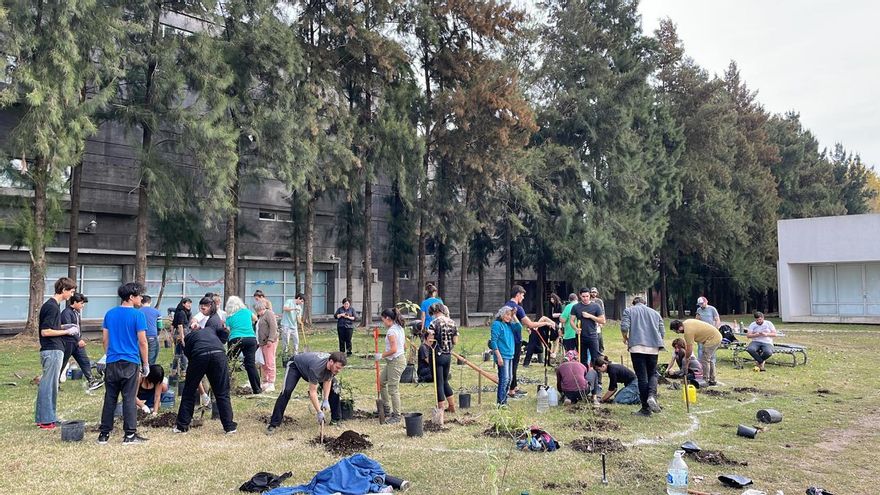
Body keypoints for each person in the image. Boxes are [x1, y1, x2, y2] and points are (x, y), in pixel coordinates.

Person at [174, 296, 237, 434]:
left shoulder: (190, 336)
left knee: (189, 391)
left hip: (199, 356)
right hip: (219, 355)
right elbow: (223, 336)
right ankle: (229, 427)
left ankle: (182, 426)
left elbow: (188, 353)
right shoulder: (212, 331)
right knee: (222, 392)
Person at [97, 282, 150, 445]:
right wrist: (146, 363)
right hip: (130, 362)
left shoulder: (110, 314)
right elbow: (142, 342)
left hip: (112, 361)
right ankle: (129, 435)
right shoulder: (138, 315)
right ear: (131, 297)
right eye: (139, 295)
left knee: (110, 398)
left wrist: (109, 355)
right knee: (129, 398)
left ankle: (104, 434)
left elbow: (105, 339)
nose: (141, 298)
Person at [267, 351, 348, 434]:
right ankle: (273, 424)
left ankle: (336, 419)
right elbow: (313, 392)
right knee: (286, 391)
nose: (339, 370)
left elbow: (328, 380)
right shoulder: (316, 368)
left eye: (340, 368)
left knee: (334, 388)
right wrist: (319, 412)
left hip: (311, 366)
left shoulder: (333, 367)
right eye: (337, 368)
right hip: (296, 366)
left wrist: (326, 399)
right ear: (331, 362)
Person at [35, 277, 78, 429]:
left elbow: (52, 326)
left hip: (53, 348)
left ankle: (48, 417)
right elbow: (45, 331)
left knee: (51, 385)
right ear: (64, 290)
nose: (72, 295)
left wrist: (64, 326)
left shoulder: (53, 306)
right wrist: (67, 331)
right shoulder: (52, 306)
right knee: (48, 385)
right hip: (52, 349)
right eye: (71, 291)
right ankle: (46, 420)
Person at [506, 285, 555, 398]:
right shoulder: (517, 308)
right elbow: (531, 324)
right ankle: (511, 390)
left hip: (508, 338)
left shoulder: (507, 305)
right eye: (522, 295)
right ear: (518, 294)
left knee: (512, 363)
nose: (523, 298)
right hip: (515, 339)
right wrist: (546, 323)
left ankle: (514, 386)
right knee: (513, 364)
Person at [620, 296, 665, 416]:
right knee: (653, 374)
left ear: (634, 303)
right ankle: (652, 396)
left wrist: (625, 338)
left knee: (642, 377)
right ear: (645, 303)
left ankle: (646, 408)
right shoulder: (655, 313)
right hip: (653, 348)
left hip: (637, 347)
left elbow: (624, 327)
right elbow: (662, 332)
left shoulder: (629, 310)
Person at [60, 292, 102, 391]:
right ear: (74, 302)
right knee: (63, 362)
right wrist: (78, 339)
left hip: (77, 343)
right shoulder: (66, 313)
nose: (82, 305)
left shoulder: (76, 313)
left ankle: (91, 380)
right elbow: (69, 328)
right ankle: (54, 383)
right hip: (68, 342)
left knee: (84, 361)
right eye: (81, 303)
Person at [225, 295, 261, 394]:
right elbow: (255, 319)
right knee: (250, 365)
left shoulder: (229, 317)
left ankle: (226, 386)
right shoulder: (247, 312)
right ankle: (257, 389)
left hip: (235, 338)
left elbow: (227, 329)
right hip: (250, 338)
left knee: (229, 362)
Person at [670, 319, 722, 386]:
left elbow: (689, 349)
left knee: (705, 360)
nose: (678, 333)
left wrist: (686, 359)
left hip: (713, 339)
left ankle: (705, 380)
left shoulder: (688, 332)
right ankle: (712, 380)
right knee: (709, 359)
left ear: (680, 327)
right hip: (715, 336)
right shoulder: (686, 322)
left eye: (677, 331)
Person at [376, 308, 407, 423]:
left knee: (393, 388)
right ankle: (386, 408)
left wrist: (381, 355)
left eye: (383, 319)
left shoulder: (391, 331)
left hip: (396, 361)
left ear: (388, 319)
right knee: (381, 382)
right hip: (395, 360)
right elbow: (404, 346)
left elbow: (394, 349)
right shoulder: (399, 328)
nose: (382, 322)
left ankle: (397, 416)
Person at [428, 303, 458, 413]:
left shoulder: (433, 323)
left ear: (434, 312)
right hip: (448, 355)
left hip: (437, 354)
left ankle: (440, 409)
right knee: (445, 381)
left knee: (438, 382)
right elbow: (455, 341)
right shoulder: (452, 322)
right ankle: (452, 405)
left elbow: (430, 340)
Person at [569, 287, 606, 368]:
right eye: (583, 296)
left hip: (592, 336)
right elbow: (571, 321)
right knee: (582, 359)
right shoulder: (576, 307)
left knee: (596, 359)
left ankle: (597, 380)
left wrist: (590, 316)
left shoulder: (596, 306)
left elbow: (603, 321)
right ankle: (584, 378)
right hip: (580, 336)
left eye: (587, 296)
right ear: (580, 296)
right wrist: (576, 329)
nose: (585, 298)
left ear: (590, 295)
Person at [489, 305, 518, 405]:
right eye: (507, 314)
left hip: (510, 355)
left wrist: (514, 316)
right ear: (501, 314)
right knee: (504, 379)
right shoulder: (497, 324)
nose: (508, 317)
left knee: (509, 379)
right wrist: (498, 356)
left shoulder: (509, 325)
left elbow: (519, 327)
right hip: (502, 355)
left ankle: (504, 401)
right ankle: (500, 402)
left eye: (510, 315)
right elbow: (493, 341)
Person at [255, 301, 279, 392]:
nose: (258, 313)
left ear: (262, 309)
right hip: (262, 343)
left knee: (270, 362)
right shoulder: (261, 316)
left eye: (258, 311)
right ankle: (265, 381)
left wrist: (270, 339)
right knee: (263, 363)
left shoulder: (269, 314)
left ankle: (271, 382)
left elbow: (273, 327)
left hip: (269, 342)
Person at [171, 298, 192, 377]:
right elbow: (180, 325)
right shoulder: (182, 313)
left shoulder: (178, 312)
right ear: (183, 304)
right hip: (182, 333)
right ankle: (184, 370)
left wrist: (172, 334)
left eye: (190, 303)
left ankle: (174, 370)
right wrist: (182, 338)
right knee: (183, 353)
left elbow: (173, 324)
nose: (189, 305)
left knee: (177, 353)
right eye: (188, 303)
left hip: (178, 333)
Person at [139, 295, 162, 366]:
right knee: (152, 357)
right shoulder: (157, 312)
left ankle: (143, 369)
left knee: (142, 355)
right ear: (150, 302)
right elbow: (159, 326)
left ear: (141, 302)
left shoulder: (137, 312)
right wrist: (158, 334)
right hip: (152, 336)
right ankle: (150, 371)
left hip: (140, 336)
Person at [590, 287, 606, 353]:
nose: (594, 293)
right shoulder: (588, 301)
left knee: (599, 336)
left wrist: (602, 322)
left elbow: (602, 311)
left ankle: (600, 350)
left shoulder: (599, 301)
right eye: (592, 292)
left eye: (595, 292)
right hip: (591, 320)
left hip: (598, 320)